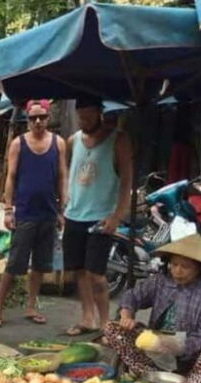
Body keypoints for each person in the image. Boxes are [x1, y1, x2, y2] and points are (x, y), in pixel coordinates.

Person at [104, 234, 201, 383]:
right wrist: (127, 315)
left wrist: (174, 345)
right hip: (155, 351)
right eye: (174, 265)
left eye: (185, 267)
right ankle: (151, 374)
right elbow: (133, 297)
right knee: (112, 328)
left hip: (191, 359)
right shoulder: (161, 281)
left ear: (199, 268)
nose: (178, 271)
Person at [0, 99, 68, 328]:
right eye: (33, 118)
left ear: (48, 118)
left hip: (48, 213)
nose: (37, 122)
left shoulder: (58, 143)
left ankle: (31, 305)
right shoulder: (18, 144)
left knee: (40, 265)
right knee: (14, 264)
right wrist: (8, 210)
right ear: (27, 120)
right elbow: (11, 177)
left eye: (42, 117)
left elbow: (62, 176)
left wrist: (62, 210)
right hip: (24, 213)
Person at [63, 94, 133, 337]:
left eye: (89, 115)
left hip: (100, 217)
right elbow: (66, 172)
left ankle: (105, 324)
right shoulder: (73, 141)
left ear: (100, 113)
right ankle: (87, 317)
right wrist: (64, 202)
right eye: (80, 115)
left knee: (97, 274)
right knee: (78, 270)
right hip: (74, 214)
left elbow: (126, 181)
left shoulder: (118, 140)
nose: (84, 119)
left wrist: (117, 216)